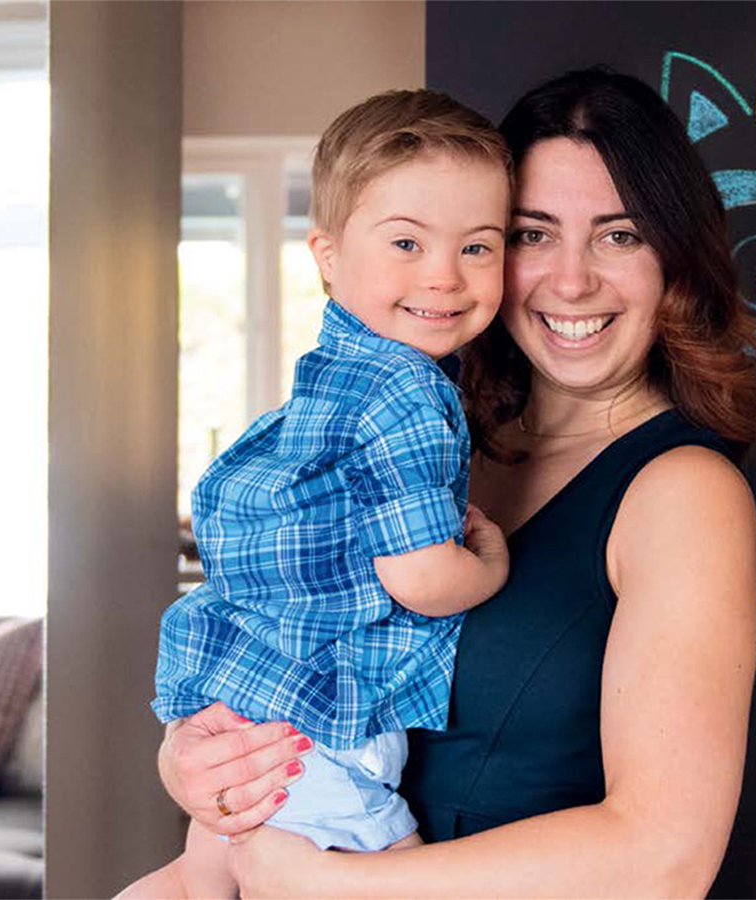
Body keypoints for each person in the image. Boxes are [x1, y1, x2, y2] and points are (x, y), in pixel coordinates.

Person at [155, 68, 756, 899]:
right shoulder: (424, 437)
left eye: (620, 235)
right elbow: (283, 639)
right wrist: (202, 760)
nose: (572, 280)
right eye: (531, 234)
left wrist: (337, 888)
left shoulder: (683, 492)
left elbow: (664, 860)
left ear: (676, 258)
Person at [118, 89, 513, 899]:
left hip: (244, 695)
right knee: (397, 870)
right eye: (406, 241)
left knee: (197, 877)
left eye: (479, 247)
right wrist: (489, 563)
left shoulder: (325, 378)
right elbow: (422, 580)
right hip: (322, 730)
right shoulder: (410, 393)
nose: (443, 275)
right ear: (326, 255)